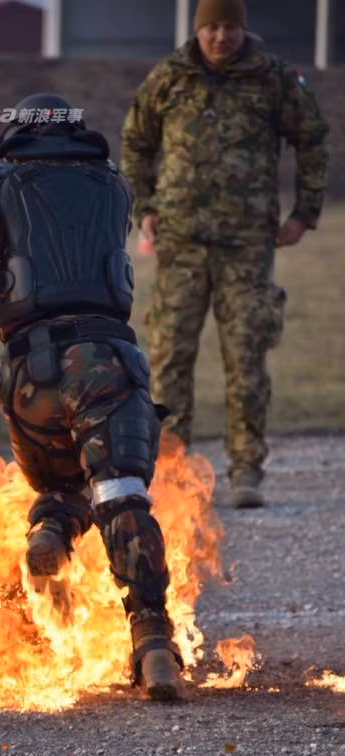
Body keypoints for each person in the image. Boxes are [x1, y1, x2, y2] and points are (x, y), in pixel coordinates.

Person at [0, 93, 184, 701]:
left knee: (63, 485)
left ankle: (51, 529)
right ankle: (152, 644)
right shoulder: (113, 185)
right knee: (120, 491)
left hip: (25, 376)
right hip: (102, 361)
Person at [120, 0, 329, 508]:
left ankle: (246, 470)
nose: (220, 37)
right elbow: (135, 142)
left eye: (229, 27)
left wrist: (304, 212)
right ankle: (171, 476)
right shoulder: (169, 77)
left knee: (247, 358)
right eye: (211, 27)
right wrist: (143, 206)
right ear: (199, 30)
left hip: (247, 244)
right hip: (180, 242)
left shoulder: (272, 77)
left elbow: (312, 141)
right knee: (170, 360)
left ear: (242, 29)